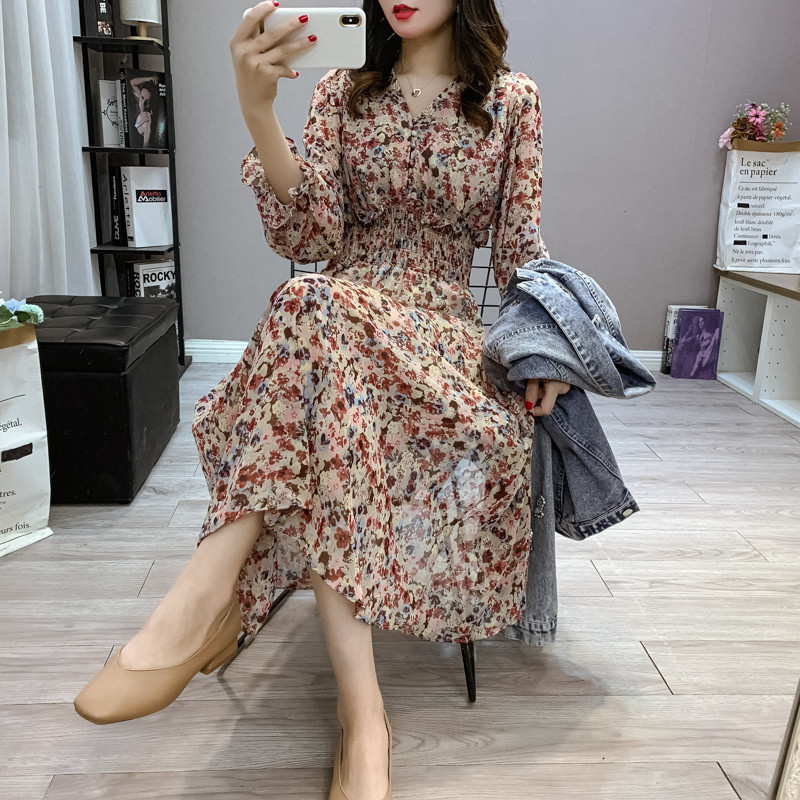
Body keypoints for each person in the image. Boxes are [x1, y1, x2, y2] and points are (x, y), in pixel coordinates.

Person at [74, 2, 569, 798]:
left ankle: (207, 597)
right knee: (319, 320)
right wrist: (258, 111)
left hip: (442, 340)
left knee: (311, 314)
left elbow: (520, 251)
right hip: (338, 330)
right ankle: (363, 717)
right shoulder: (342, 90)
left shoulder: (512, 99)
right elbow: (312, 241)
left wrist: (547, 349)